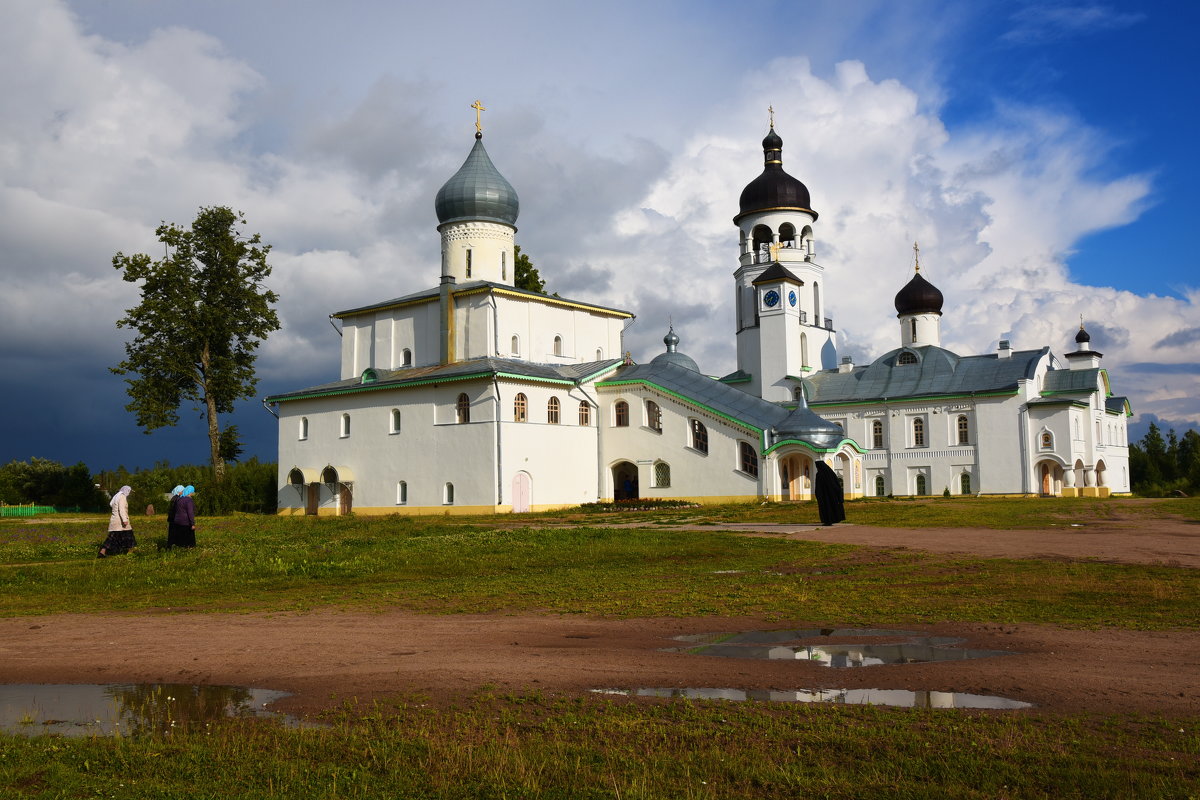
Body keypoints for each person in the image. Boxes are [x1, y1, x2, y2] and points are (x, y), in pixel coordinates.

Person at [99, 486, 136, 557]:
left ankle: (102, 552)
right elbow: (121, 509)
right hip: (120, 522)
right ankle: (130, 552)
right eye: (129, 491)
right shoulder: (122, 497)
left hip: (115, 521)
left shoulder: (116, 497)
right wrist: (124, 520)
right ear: (126, 491)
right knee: (129, 536)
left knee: (112, 538)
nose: (129, 493)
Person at [813, 461, 846, 526]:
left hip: (824, 496)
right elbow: (837, 485)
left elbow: (818, 486)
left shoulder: (819, 474)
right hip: (833, 495)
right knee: (832, 507)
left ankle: (827, 520)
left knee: (826, 507)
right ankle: (833, 519)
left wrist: (818, 494)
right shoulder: (831, 473)